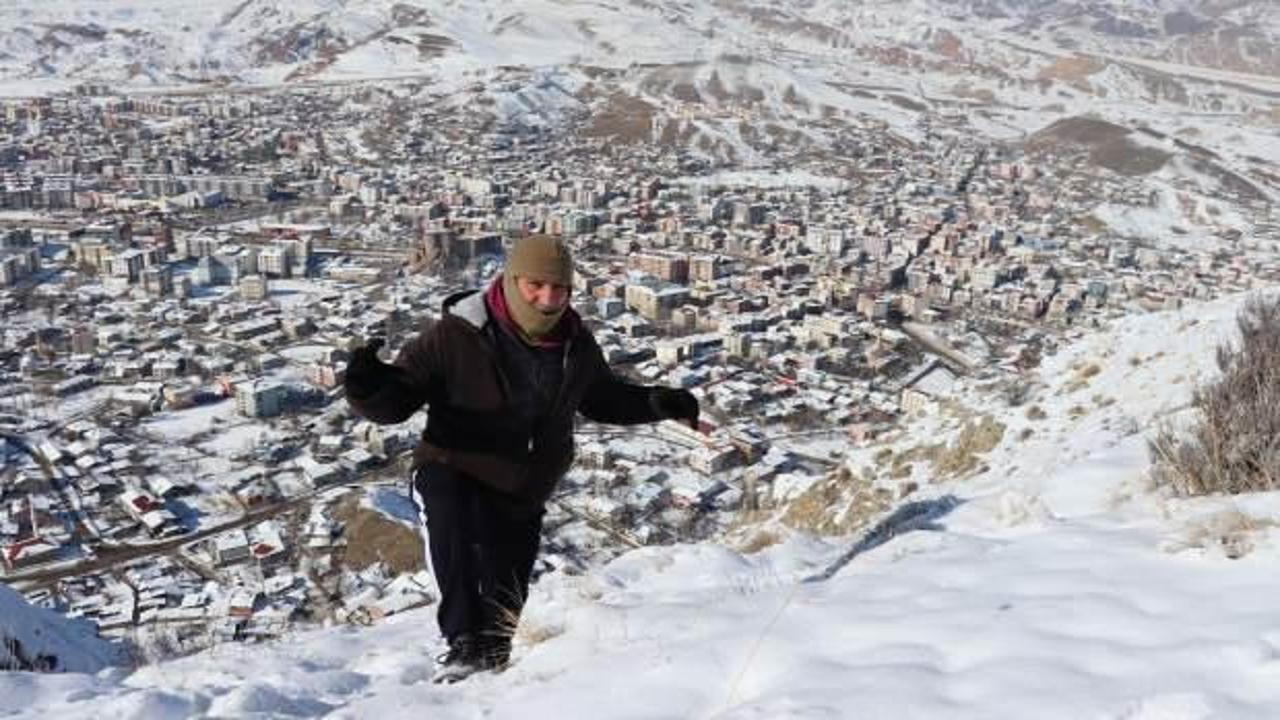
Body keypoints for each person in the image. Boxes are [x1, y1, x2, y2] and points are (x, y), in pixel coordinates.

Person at [344, 234, 700, 683]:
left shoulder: (574, 344)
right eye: (536, 285)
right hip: (455, 468)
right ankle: (460, 643)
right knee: (451, 522)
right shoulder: (456, 335)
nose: (548, 299)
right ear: (512, 280)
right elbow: (398, 399)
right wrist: (367, 388)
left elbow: (601, 397)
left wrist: (656, 403)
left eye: (560, 288)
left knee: (501, 616)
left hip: (523, 492)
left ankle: (488, 683)